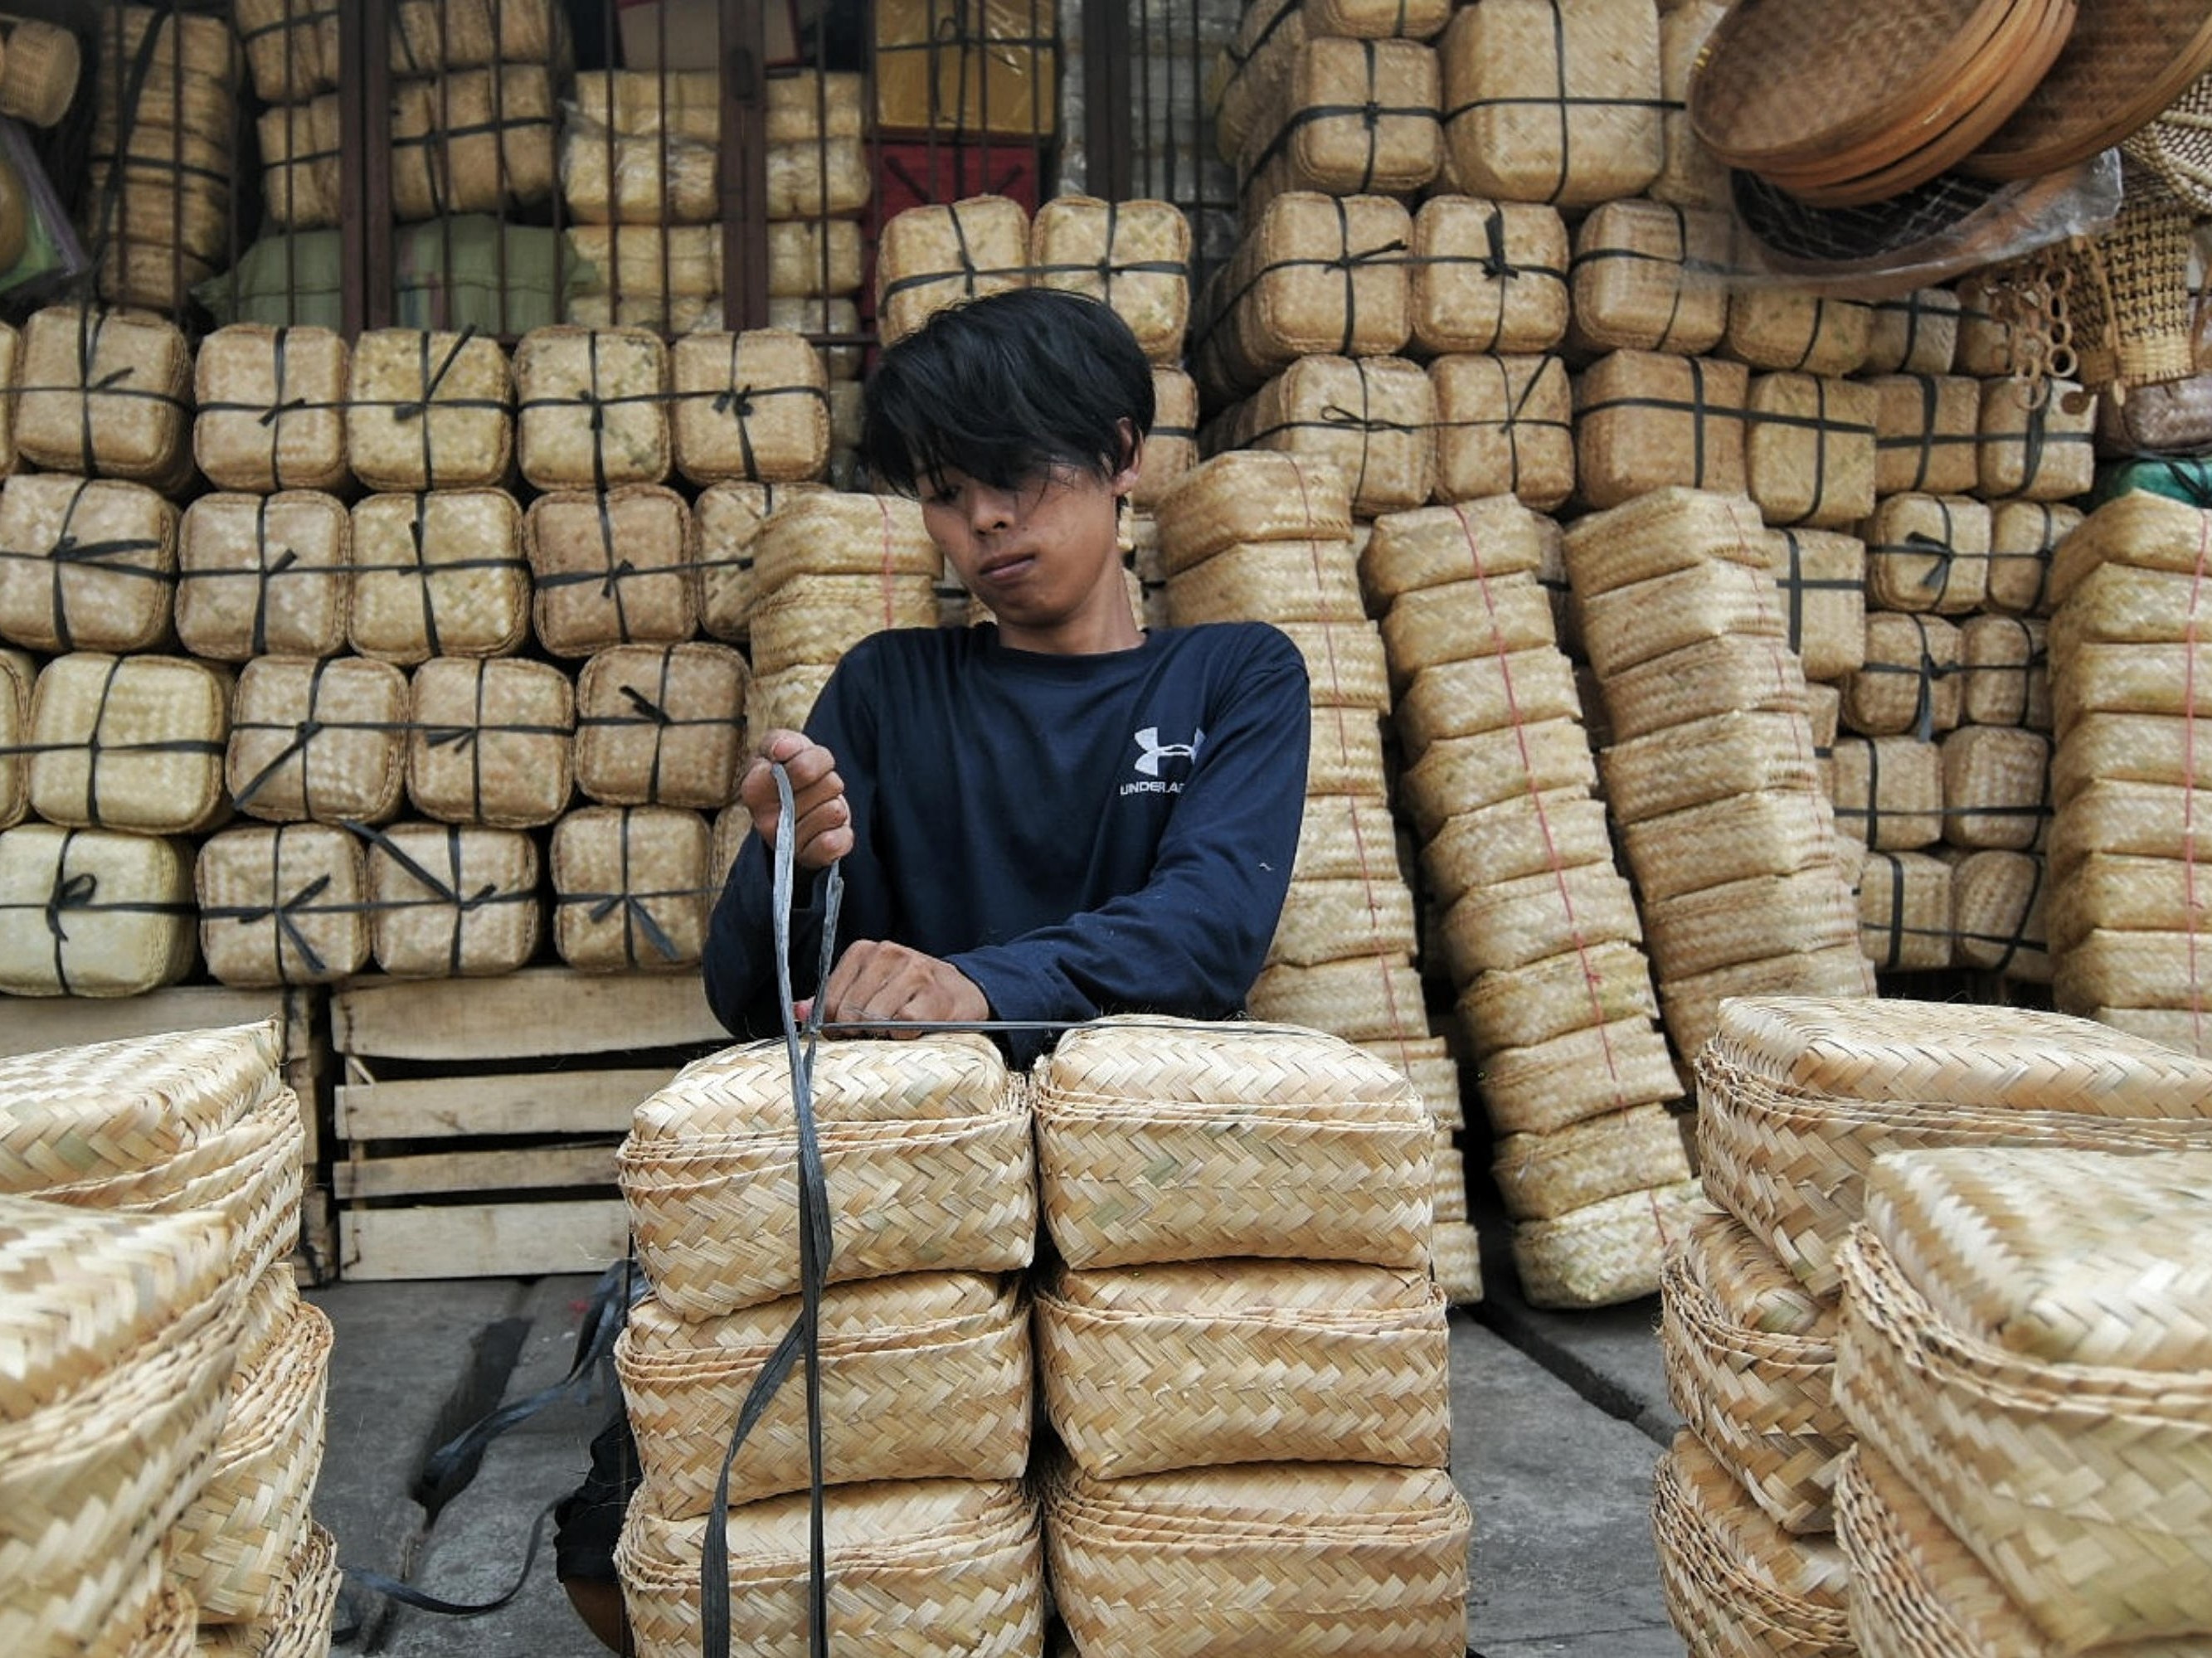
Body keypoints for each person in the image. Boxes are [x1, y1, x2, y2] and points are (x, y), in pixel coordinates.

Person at [557, 286, 1311, 1650]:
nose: (988, 524)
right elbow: (757, 998)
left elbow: (1211, 927)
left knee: (1160, 1569)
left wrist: (976, 986)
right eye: (950, 493)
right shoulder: (889, 685)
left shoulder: (1232, 681)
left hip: (1138, 1201)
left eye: (1021, 478)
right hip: (910, 1209)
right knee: (609, 1565)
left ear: (1124, 457)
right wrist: (793, 868)